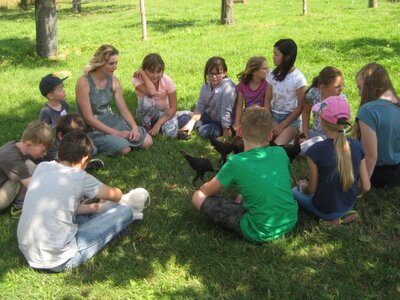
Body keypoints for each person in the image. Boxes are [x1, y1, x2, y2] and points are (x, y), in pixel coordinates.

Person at [17, 130, 150, 272]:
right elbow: (116, 195)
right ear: (84, 159)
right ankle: (127, 213)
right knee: (124, 210)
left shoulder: (43, 167)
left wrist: (90, 207)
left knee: (83, 212)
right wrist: (118, 193)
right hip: (60, 259)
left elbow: (62, 204)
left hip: (28, 250)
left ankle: (104, 212)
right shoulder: (79, 176)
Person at [191, 106, 298, 243]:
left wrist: (203, 189)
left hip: (259, 230)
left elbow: (207, 190)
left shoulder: (236, 162)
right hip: (289, 220)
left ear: (240, 131)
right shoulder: (280, 153)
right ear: (270, 135)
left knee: (197, 197)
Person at [293, 96, 370, 225]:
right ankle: (340, 216)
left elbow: (311, 189)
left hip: (324, 209)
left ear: (322, 121)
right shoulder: (357, 145)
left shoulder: (315, 151)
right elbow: (366, 186)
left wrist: (302, 186)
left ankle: (331, 220)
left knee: (294, 191)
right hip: (348, 205)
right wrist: (353, 196)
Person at [76, 44, 152, 156]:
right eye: (111, 63)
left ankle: (119, 140)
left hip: (112, 121)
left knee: (147, 141)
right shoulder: (84, 82)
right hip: (94, 128)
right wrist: (117, 133)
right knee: (125, 149)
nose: (115, 66)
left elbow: (124, 110)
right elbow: (88, 118)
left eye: (116, 63)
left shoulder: (114, 81)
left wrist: (134, 127)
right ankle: (98, 143)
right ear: (100, 63)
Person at [353, 62, 400, 188]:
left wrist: (362, 187)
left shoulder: (368, 111)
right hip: (396, 171)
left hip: (376, 174)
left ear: (370, 85)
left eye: (359, 87)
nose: (359, 93)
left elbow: (371, 156)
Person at [0, 121, 53, 215]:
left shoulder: (15, 145)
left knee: (30, 166)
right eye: (43, 150)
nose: (45, 154)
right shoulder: (13, 160)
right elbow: (34, 187)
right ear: (29, 144)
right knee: (28, 173)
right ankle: (18, 206)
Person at [179, 56, 237, 139]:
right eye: (211, 73)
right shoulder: (205, 86)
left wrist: (225, 135)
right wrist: (191, 122)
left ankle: (196, 128)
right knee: (184, 119)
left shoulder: (228, 88)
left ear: (224, 73)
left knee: (209, 131)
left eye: (217, 73)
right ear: (207, 73)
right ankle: (191, 126)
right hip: (209, 117)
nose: (214, 77)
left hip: (221, 124)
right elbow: (200, 107)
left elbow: (226, 113)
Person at [132, 53, 188, 138]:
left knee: (170, 134)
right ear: (144, 70)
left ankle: (173, 122)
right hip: (145, 115)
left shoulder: (167, 81)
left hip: (164, 113)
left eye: (158, 72)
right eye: (151, 72)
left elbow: (173, 107)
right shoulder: (137, 79)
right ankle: (146, 128)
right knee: (147, 100)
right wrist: (143, 75)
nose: (155, 75)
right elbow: (151, 92)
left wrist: (158, 124)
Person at [264, 39, 306, 145]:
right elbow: (267, 99)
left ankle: (293, 137)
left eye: (276, 54)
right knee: (262, 143)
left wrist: (282, 126)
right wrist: (269, 121)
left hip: (291, 121)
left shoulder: (298, 79)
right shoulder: (272, 75)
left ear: (287, 57)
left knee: (277, 146)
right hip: (273, 116)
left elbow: (301, 107)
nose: (273, 57)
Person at [302, 66, 346, 139]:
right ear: (323, 87)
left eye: (342, 85)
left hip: (334, 136)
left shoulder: (341, 100)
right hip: (316, 134)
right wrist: (306, 133)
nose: (341, 89)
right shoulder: (314, 93)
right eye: (337, 86)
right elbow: (306, 111)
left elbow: (341, 125)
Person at [38, 73, 70, 161]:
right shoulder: (46, 112)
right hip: (52, 146)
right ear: (50, 96)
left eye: (63, 87)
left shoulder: (64, 104)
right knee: (63, 159)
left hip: (66, 140)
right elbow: (44, 134)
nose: (64, 90)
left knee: (90, 149)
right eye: (60, 89)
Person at [233, 56, 269, 131]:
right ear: (255, 72)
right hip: (248, 116)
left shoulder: (267, 84)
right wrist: (237, 123)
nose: (268, 71)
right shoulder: (243, 85)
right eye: (265, 69)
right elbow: (239, 105)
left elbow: (267, 105)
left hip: (262, 117)